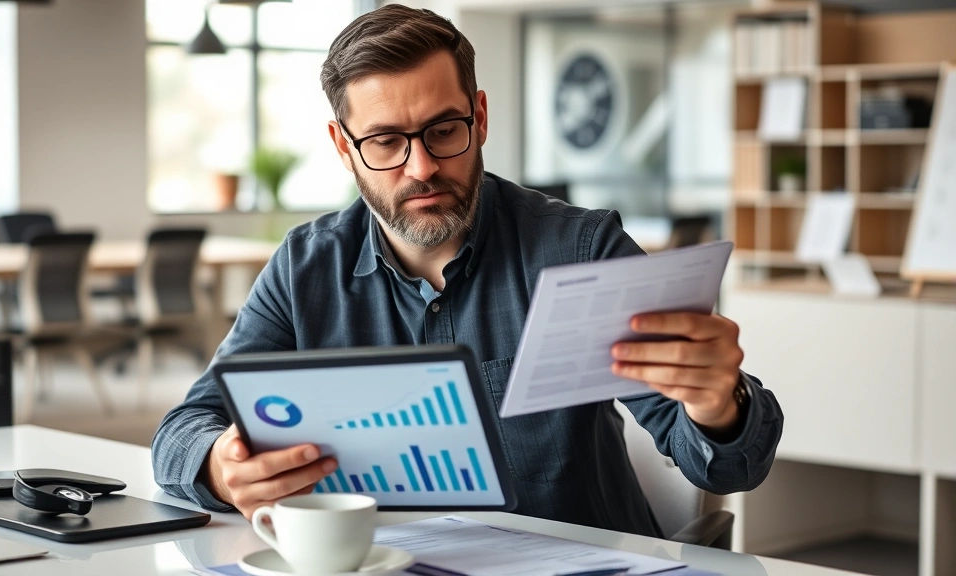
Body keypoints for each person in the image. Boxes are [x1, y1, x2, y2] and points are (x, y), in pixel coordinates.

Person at [152, 4, 783, 537]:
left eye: (443, 129)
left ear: (480, 117)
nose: (421, 166)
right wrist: (217, 464)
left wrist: (716, 406)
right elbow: (182, 431)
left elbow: (726, 467)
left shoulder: (579, 248)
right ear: (344, 146)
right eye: (385, 141)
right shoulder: (303, 268)